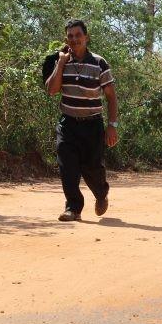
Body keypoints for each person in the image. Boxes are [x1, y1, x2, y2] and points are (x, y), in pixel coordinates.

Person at [46, 19, 119, 222]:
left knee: (92, 168)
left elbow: (111, 97)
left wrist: (112, 126)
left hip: (92, 125)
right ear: (66, 39)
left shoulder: (99, 63)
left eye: (78, 35)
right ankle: (73, 207)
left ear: (86, 37)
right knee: (67, 165)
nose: (74, 39)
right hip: (68, 124)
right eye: (70, 36)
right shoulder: (61, 61)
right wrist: (60, 63)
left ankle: (101, 193)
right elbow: (52, 90)